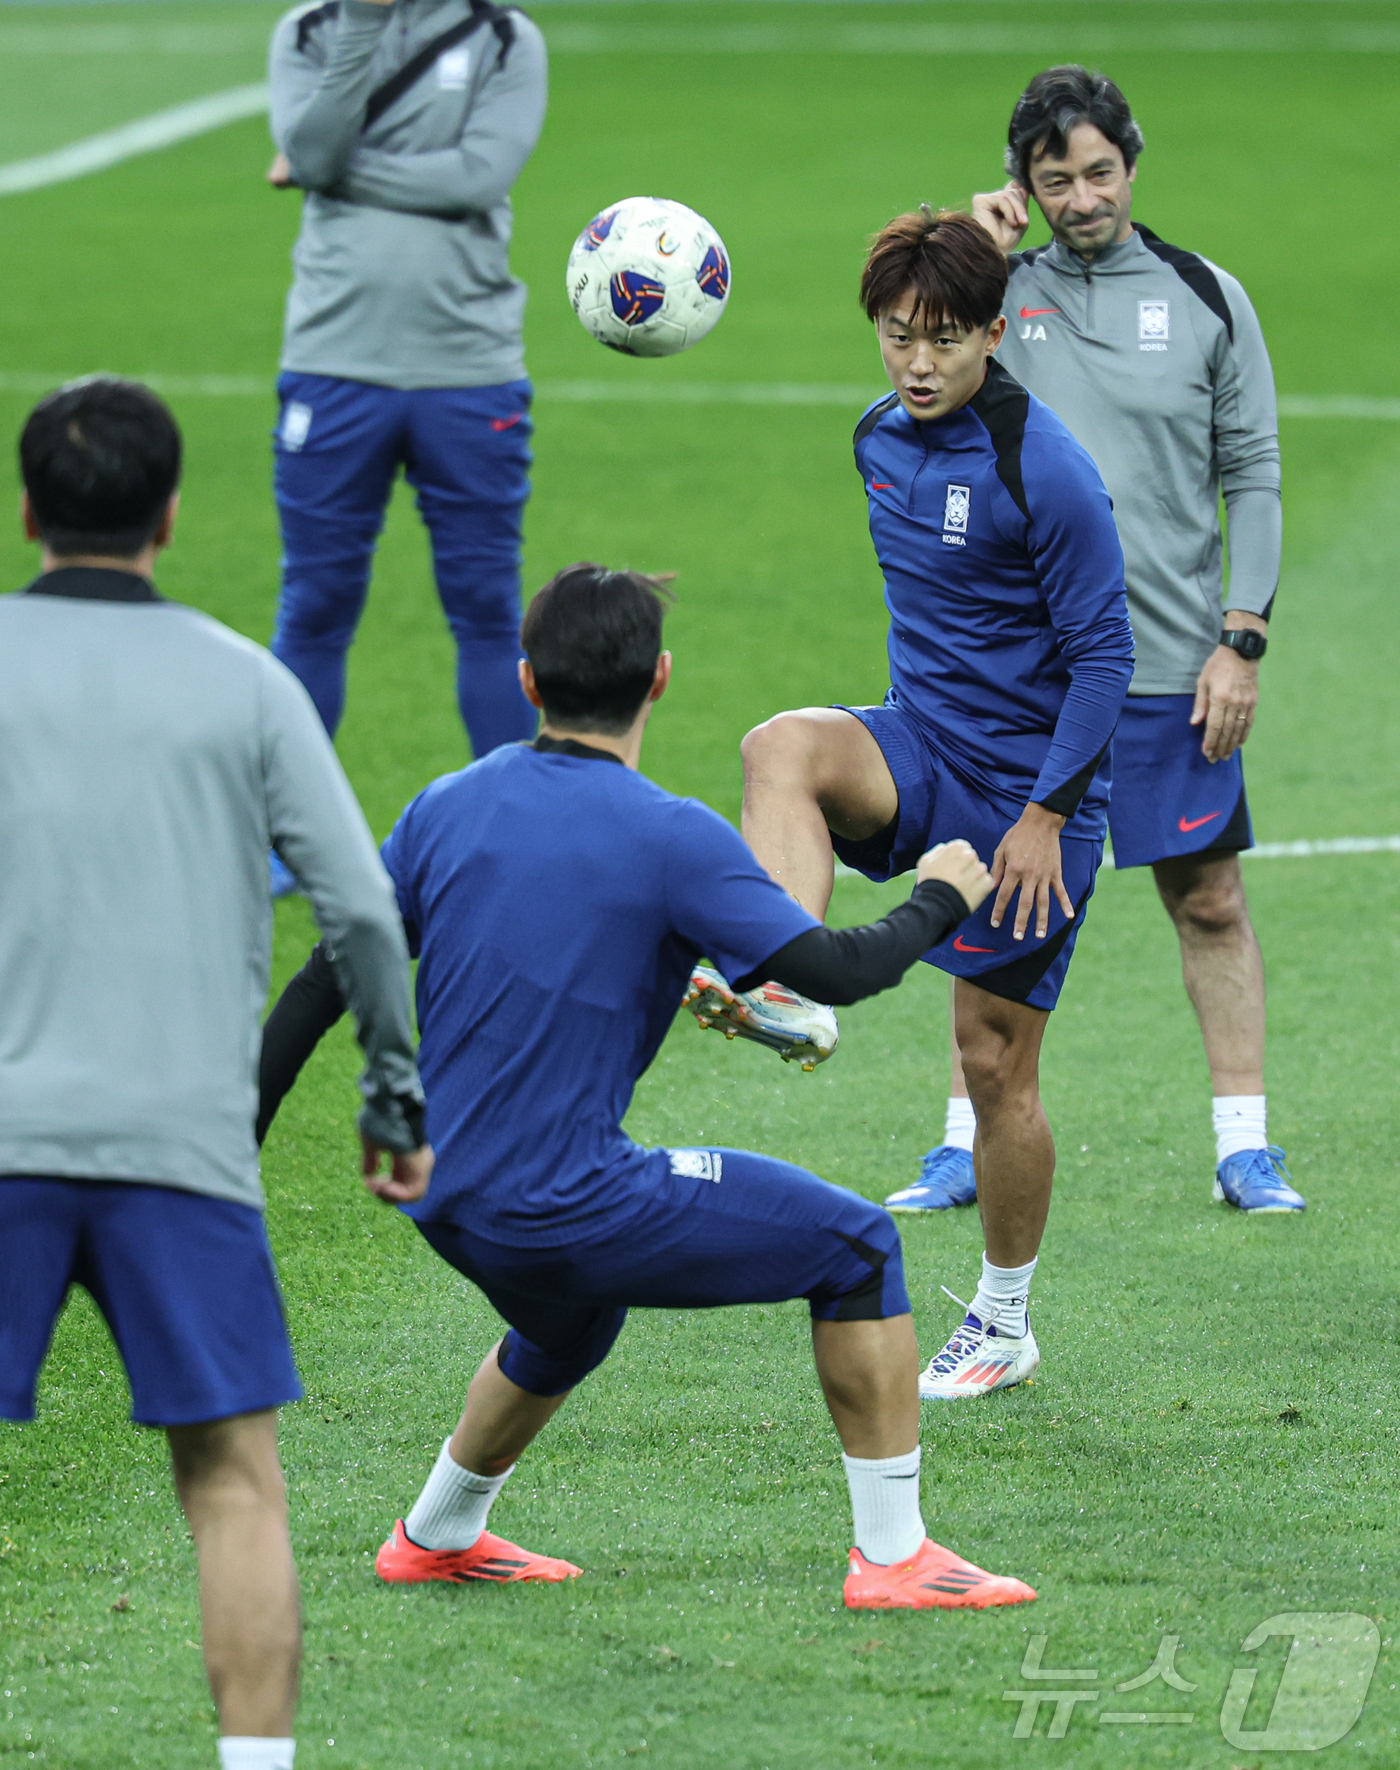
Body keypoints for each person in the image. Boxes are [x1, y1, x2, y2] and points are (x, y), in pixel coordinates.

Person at [258, 563, 1038, 1611]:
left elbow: (322, 979)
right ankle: (894, 1557)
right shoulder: (671, 835)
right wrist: (939, 896)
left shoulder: (444, 805)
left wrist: (235, 1137)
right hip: (558, 1198)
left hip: (439, 1195)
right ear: (659, 681)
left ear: (526, 682)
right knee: (856, 1247)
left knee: (573, 1322)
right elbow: (837, 972)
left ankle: (435, 1533)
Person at [0, 378, 430, 1770]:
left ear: (26, 513)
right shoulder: (246, 682)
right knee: (233, 1484)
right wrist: (391, 1092)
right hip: (180, 1150)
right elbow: (362, 909)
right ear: (172, 516)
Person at [734, 212, 1134, 1400]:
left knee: (992, 1062)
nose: (916, 363)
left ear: (992, 338)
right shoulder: (875, 437)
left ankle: (1004, 1320)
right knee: (781, 749)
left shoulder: (1041, 466)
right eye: (898, 336)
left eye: (944, 341)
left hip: (1032, 793)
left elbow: (1106, 659)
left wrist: (1045, 818)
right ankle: (781, 983)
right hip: (920, 748)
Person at [903, 66, 1303, 1217]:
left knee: (1207, 899)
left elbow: (1254, 475)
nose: (1078, 199)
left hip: (1175, 665)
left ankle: (1243, 1146)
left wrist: (1242, 639)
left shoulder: (1203, 296)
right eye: (1050, 180)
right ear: (1020, 184)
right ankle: (956, 1143)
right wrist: (968, 247)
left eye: (1096, 173)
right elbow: (915, 394)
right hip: (1028, 678)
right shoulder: (993, 302)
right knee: (991, 903)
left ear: (1130, 165)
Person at [263, 0, 548, 893]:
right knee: (314, 604)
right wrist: (357, 41)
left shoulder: (508, 37)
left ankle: (520, 829)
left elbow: (476, 177)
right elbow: (317, 155)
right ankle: (282, 844)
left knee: (485, 605)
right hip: (330, 362)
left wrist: (332, 170)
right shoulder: (309, 32)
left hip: (468, 367)